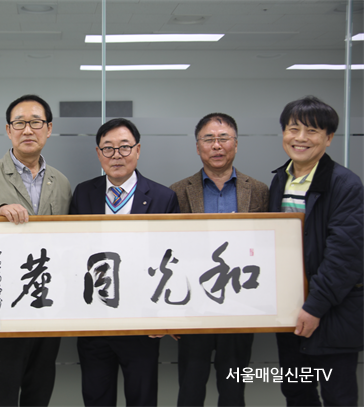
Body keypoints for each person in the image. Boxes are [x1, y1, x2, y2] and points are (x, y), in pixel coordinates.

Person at [0, 94, 72, 406]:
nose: (28, 130)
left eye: (36, 122)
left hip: (49, 299)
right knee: (4, 382)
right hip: (5, 299)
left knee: (42, 380)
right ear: (8, 130)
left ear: (48, 129)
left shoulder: (61, 182)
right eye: (20, 123)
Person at [69, 118, 180, 406]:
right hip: (94, 321)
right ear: (98, 153)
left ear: (138, 150)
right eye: (108, 148)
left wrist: (163, 314)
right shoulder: (83, 193)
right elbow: (72, 253)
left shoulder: (163, 197)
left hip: (142, 322)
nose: (116, 155)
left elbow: (171, 261)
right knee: (96, 397)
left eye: (124, 147)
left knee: (142, 398)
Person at [169, 113, 269, 406]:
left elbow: (268, 248)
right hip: (194, 308)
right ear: (197, 146)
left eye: (223, 138)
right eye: (208, 139)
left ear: (235, 144)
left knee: (234, 390)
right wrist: (170, 311)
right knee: (190, 388)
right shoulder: (177, 191)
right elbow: (169, 253)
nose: (216, 145)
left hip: (241, 306)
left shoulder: (259, 190)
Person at [270, 96, 363, 406]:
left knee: (338, 396)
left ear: (329, 137)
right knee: (297, 392)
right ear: (283, 133)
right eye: (293, 129)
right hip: (291, 310)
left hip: (331, 312)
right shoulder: (280, 180)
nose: (300, 138)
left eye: (312, 131)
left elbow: (345, 257)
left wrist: (315, 307)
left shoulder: (345, 185)